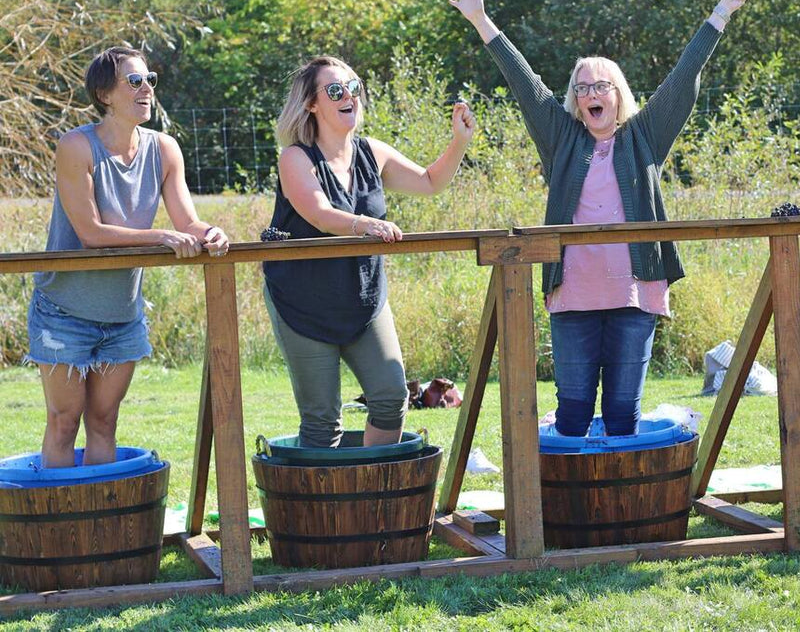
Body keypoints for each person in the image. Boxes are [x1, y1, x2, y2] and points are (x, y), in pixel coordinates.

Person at [450, 0, 748, 436]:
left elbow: (682, 78)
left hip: (634, 293)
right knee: (572, 414)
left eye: (601, 86)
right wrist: (480, 20)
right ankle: (569, 483)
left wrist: (721, 13)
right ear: (575, 99)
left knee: (623, 415)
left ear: (618, 94)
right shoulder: (561, 137)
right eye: (582, 87)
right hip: (573, 296)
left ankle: (621, 486)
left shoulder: (644, 135)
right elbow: (524, 83)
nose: (591, 93)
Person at [28, 46, 230, 468]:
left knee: (104, 422)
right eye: (134, 81)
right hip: (62, 312)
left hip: (122, 315)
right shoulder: (76, 146)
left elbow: (187, 221)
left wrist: (210, 233)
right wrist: (162, 237)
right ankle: (62, 512)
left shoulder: (165, 149)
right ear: (104, 95)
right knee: (64, 422)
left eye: (150, 80)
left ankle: (103, 512)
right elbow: (91, 234)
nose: (147, 89)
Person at [263, 56, 475, 447]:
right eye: (335, 90)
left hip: (363, 301)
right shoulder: (295, 157)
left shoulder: (372, 152)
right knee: (322, 421)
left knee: (391, 398)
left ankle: (374, 484)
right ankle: (326, 489)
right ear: (311, 104)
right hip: (301, 304)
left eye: (354, 88)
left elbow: (430, 182)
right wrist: (366, 224)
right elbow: (320, 214)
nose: (349, 96)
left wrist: (459, 141)